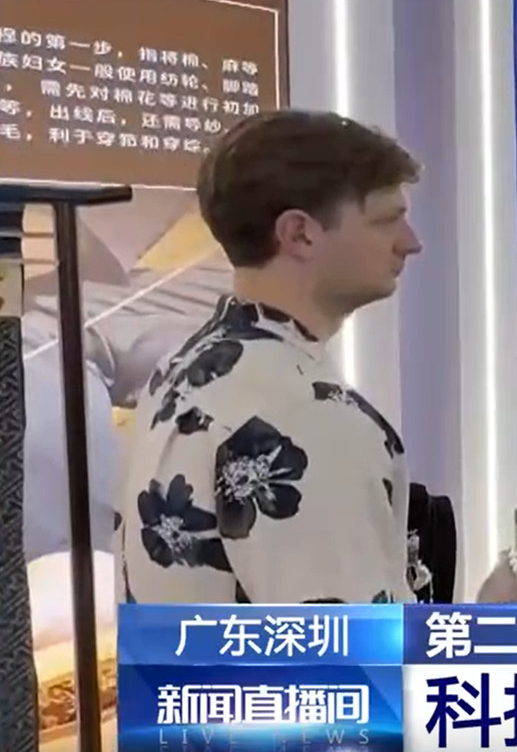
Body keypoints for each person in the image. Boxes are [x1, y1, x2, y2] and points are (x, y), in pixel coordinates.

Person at [115, 110, 424, 605]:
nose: (411, 243)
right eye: (387, 220)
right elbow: (350, 647)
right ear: (299, 233)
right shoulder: (307, 416)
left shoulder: (179, 372)